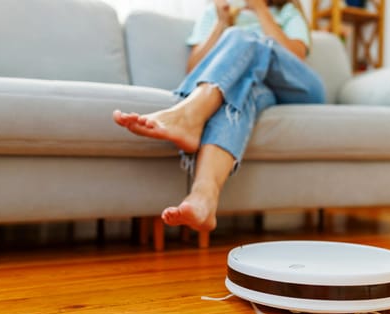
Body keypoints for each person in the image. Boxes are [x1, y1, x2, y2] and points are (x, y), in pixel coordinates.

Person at [113, 0, 325, 233]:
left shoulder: (286, 12)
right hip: (254, 89)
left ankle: (190, 115)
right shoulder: (214, 15)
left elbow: (296, 57)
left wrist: (261, 11)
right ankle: (203, 196)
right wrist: (221, 24)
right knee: (241, 93)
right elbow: (195, 67)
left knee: (242, 37)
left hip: (296, 87)